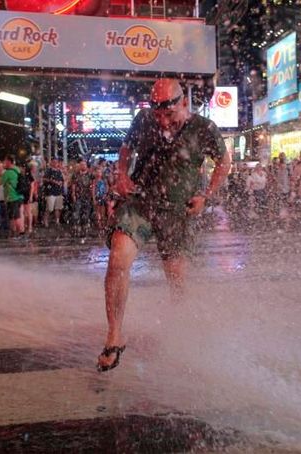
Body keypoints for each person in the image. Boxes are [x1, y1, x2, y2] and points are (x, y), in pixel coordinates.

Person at [97, 78, 231, 372]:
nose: (163, 121)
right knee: (118, 258)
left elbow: (224, 162)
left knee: (178, 281)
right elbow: (125, 149)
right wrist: (121, 174)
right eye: (158, 114)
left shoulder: (204, 129)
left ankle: (181, 334)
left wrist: (205, 196)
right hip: (140, 203)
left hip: (177, 212)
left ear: (184, 102)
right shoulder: (144, 120)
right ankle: (114, 335)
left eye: (169, 115)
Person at [1, 155, 25, 237]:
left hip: (12, 197)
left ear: (9, 162)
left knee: (15, 217)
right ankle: (18, 231)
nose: (4, 163)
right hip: (20, 196)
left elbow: (0, 183)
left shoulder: (7, 173)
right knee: (19, 215)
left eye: (5, 161)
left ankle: (19, 233)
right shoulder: (17, 170)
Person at [42, 158, 65, 228]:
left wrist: (60, 183)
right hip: (50, 192)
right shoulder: (48, 170)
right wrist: (52, 181)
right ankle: (45, 221)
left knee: (58, 208)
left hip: (58, 192)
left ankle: (57, 221)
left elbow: (62, 180)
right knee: (49, 208)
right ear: (51, 163)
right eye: (53, 162)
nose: (55, 163)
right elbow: (44, 179)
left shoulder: (59, 171)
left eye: (56, 162)